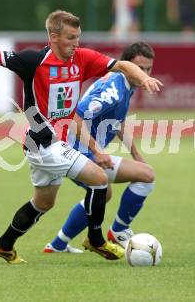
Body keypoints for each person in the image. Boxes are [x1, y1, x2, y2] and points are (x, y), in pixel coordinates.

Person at [0, 10, 163, 264]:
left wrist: (144, 77)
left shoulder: (82, 58)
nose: (76, 43)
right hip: (43, 142)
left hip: (55, 144)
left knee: (43, 203)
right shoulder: (34, 61)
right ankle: (95, 239)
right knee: (100, 180)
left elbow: (121, 65)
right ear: (53, 36)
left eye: (78, 37)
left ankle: (4, 245)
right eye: (70, 38)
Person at [43, 42, 157, 254]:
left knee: (103, 194)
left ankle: (57, 245)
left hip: (77, 149)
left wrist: (136, 154)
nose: (144, 74)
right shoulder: (114, 88)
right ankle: (119, 231)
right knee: (147, 176)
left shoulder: (126, 85)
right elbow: (77, 117)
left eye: (148, 69)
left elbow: (117, 122)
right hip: (75, 152)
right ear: (126, 65)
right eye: (140, 68)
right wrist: (97, 151)